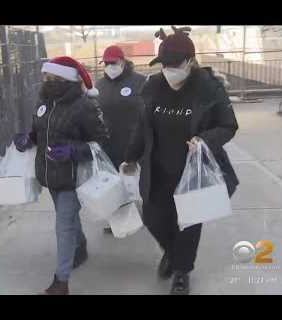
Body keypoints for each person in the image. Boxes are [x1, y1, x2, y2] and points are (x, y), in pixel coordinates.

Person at [123, 26, 239, 295]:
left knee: (187, 223)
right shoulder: (153, 86)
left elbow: (228, 125)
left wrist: (205, 139)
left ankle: (181, 271)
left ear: (190, 61)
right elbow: (142, 127)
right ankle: (172, 254)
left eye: (175, 64)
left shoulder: (208, 88)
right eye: (164, 64)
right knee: (153, 219)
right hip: (157, 169)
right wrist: (130, 157)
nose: (168, 70)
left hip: (193, 170)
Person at [13, 56, 109, 295]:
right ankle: (80, 246)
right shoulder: (44, 102)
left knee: (63, 224)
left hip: (73, 175)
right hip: (49, 174)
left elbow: (102, 142)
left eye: (55, 79)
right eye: (47, 78)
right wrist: (28, 139)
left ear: (68, 80)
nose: (49, 82)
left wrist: (73, 151)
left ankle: (61, 282)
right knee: (67, 218)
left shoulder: (84, 106)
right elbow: (38, 130)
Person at [95, 46, 146, 234]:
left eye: (113, 63)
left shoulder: (139, 81)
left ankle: (146, 212)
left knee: (137, 181)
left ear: (123, 62)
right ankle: (119, 220)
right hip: (109, 142)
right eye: (106, 63)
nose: (110, 66)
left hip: (135, 140)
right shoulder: (99, 85)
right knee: (115, 183)